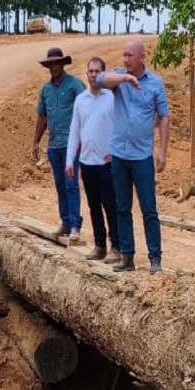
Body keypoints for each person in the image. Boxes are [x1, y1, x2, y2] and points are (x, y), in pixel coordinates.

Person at [100, 38, 170, 273]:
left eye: (130, 55)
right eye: (124, 55)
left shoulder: (155, 84)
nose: (126, 59)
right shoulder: (119, 78)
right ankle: (127, 256)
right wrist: (125, 78)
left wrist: (162, 151)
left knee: (149, 208)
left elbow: (164, 116)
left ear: (142, 57)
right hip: (119, 154)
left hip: (142, 157)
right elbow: (100, 80)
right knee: (122, 207)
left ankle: (155, 258)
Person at [65, 57, 121, 262]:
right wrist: (70, 160)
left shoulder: (112, 97)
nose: (94, 75)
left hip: (106, 162)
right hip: (87, 162)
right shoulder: (81, 100)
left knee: (110, 205)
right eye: (90, 71)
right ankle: (100, 246)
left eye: (98, 71)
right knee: (94, 205)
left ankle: (116, 246)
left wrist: (116, 151)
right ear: (86, 74)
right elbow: (74, 131)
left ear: (104, 74)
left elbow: (121, 126)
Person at [31, 47, 85, 241]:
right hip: (54, 146)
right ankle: (65, 223)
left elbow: (86, 109)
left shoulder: (74, 85)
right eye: (50, 64)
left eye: (57, 63)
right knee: (60, 186)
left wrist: (84, 139)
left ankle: (76, 226)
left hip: (71, 146)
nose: (54, 67)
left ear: (62, 64)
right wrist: (36, 142)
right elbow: (42, 117)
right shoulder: (45, 90)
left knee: (71, 185)